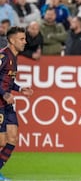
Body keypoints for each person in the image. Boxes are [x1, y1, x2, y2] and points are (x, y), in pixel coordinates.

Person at [0, 26, 33, 180]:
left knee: (12, 139)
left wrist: (20, 89)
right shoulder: (3, 56)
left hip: (7, 105)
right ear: (12, 40)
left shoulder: (14, 57)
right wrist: (5, 94)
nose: (25, 42)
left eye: (24, 38)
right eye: (21, 39)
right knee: (1, 141)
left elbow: (7, 81)